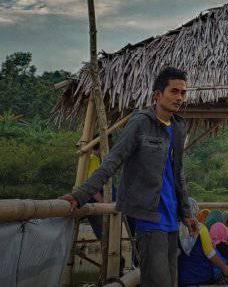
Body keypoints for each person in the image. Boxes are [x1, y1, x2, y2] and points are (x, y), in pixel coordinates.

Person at [61, 67, 197, 287]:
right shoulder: (140, 122)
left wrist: (187, 213)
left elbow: (177, 173)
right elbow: (113, 161)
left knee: (172, 282)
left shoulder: (179, 126)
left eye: (183, 92)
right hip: (149, 216)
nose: (179, 97)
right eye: (174, 91)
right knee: (158, 282)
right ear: (157, 94)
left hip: (173, 219)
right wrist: (80, 196)